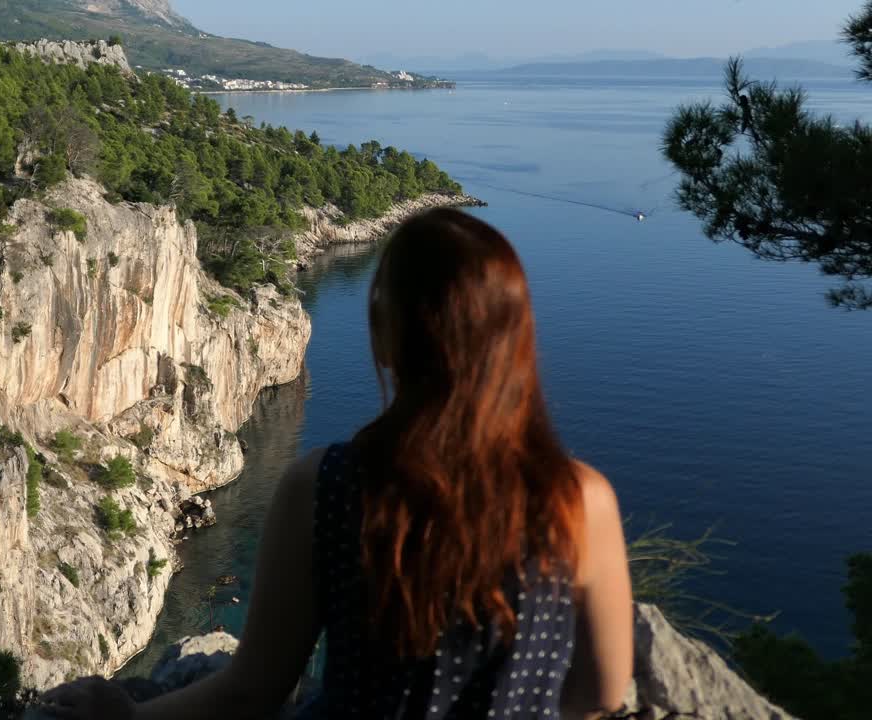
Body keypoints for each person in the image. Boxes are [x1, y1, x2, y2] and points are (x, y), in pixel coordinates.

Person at [40, 208, 634, 719]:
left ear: (385, 339)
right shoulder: (581, 500)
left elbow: (254, 690)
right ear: (517, 343)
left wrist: (127, 713)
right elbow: (602, 691)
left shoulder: (326, 486)